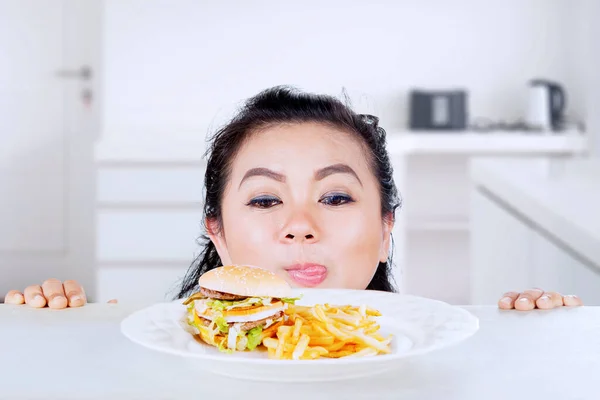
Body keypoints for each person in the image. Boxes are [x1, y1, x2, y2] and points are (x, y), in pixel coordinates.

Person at [3, 86, 583, 311]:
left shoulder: (438, 351)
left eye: (334, 197)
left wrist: (536, 344)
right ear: (218, 235)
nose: (299, 226)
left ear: (386, 230)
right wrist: (60, 335)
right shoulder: (142, 341)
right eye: (263, 201)